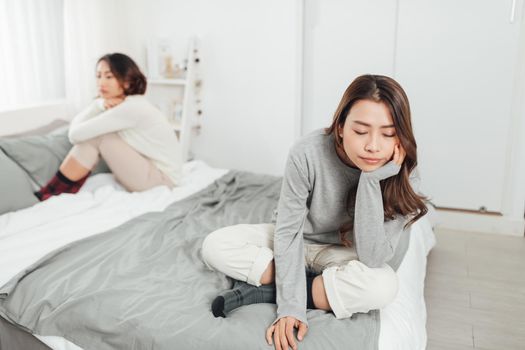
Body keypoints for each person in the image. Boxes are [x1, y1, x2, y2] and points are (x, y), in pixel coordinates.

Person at [201, 74, 428, 349]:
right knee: (215, 246)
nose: (373, 145)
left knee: (383, 285)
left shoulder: (403, 172)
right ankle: (309, 288)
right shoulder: (307, 152)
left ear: (399, 136)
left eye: (388, 133)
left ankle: (270, 290)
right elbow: (287, 232)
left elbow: (373, 257)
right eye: (360, 131)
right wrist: (290, 307)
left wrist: (370, 182)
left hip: (346, 253)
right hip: (297, 241)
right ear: (341, 127)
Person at [35, 53, 182, 201]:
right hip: (154, 173)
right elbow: (76, 128)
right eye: (98, 76)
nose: (101, 82)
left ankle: (53, 192)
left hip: (162, 181)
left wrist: (97, 105)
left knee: (101, 137)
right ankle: (55, 192)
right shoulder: (130, 104)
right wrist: (99, 104)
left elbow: (74, 134)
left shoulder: (131, 108)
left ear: (127, 82)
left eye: (109, 76)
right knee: (99, 136)